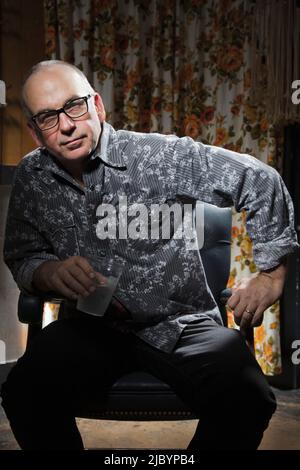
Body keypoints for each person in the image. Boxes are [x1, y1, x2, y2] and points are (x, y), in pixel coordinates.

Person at [1, 60, 298, 450]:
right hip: (91, 328)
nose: (68, 125)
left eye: (74, 106)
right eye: (49, 118)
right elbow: (23, 255)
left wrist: (271, 275)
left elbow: (260, 180)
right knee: (24, 391)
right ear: (35, 131)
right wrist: (47, 273)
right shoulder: (32, 176)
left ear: (97, 107)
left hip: (182, 325)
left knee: (248, 397)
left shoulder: (159, 156)